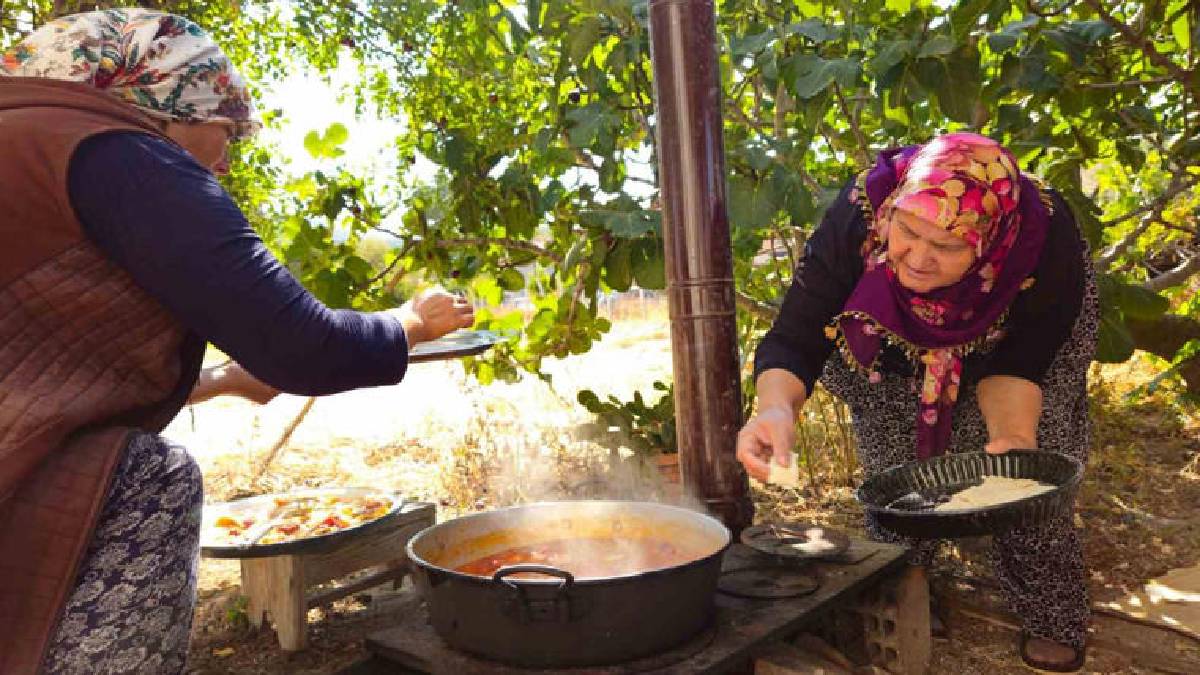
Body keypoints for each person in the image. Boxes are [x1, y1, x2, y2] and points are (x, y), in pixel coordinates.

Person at [0, 8, 473, 673]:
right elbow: (300, 343)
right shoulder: (112, 149)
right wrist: (411, 323)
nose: (222, 162)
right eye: (224, 130)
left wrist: (222, 381)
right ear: (160, 99)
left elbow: (42, 376)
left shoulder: (22, 141)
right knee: (153, 477)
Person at [736, 133, 1097, 673]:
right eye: (906, 231)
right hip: (888, 340)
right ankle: (912, 586)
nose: (919, 259)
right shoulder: (858, 216)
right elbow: (797, 336)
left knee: (1028, 483)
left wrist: (1015, 443)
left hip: (1011, 337)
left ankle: (1051, 613)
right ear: (892, 212)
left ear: (987, 243)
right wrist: (775, 410)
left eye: (948, 246)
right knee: (897, 475)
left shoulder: (1042, 240)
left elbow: (1019, 365)